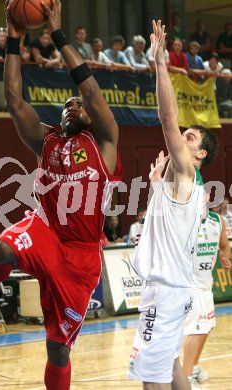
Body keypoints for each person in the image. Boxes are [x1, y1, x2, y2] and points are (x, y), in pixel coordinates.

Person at [0, 1, 122, 390]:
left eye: (78, 106)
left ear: (89, 115)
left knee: (58, 349)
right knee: (2, 251)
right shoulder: (47, 140)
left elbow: (89, 88)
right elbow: (14, 100)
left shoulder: (103, 139)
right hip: (47, 231)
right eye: (67, 105)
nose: (72, 106)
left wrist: (57, 34)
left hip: (83, 256)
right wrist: (15, 40)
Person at [128, 20, 218, 389]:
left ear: (199, 154)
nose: (182, 136)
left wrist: (161, 64)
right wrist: (153, 186)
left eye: (190, 137)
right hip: (169, 289)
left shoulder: (186, 173)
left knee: (152, 380)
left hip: (165, 291)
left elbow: (167, 118)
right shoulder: (184, 183)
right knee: (169, 367)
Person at [183, 210, 231, 389]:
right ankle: (185, 378)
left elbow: (224, 246)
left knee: (207, 327)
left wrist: (225, 259)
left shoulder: (217, 220)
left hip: (206, 284)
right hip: (188, 285)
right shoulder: (182, 218)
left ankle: (193, 368)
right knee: (198, 330)